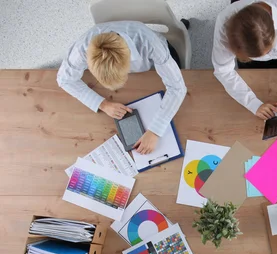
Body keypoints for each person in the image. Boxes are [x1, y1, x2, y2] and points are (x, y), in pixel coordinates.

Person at [57, 21, 187, 154]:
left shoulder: (150, 43)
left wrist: (155, 131)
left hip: (157, 58)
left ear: (129, 63)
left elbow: (177, 88)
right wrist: (102, 104)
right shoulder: (81, 50)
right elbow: (64, 79)